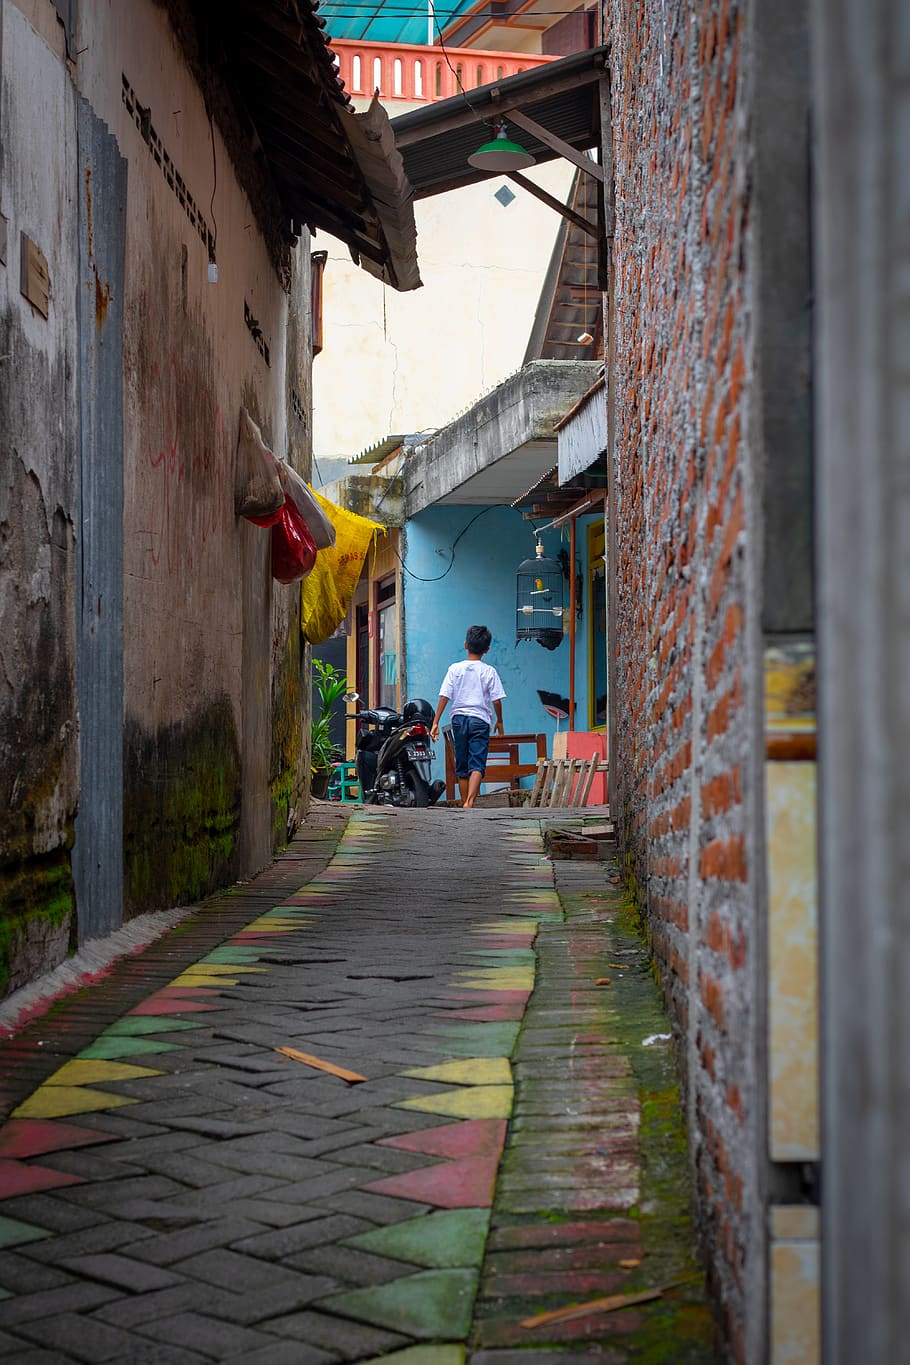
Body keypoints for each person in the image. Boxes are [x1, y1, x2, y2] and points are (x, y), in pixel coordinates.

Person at [430, 625, 506, 809]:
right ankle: (470, 802)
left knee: (462, 764)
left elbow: (445, 696)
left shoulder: (455, 669)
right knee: (477, 763)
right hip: (480, 720)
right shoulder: (489, 671)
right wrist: (500, 721)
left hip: (459, 719)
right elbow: (496, 700)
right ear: (487, 650)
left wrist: (435, 722)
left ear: (465, 645)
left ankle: (465, 801)